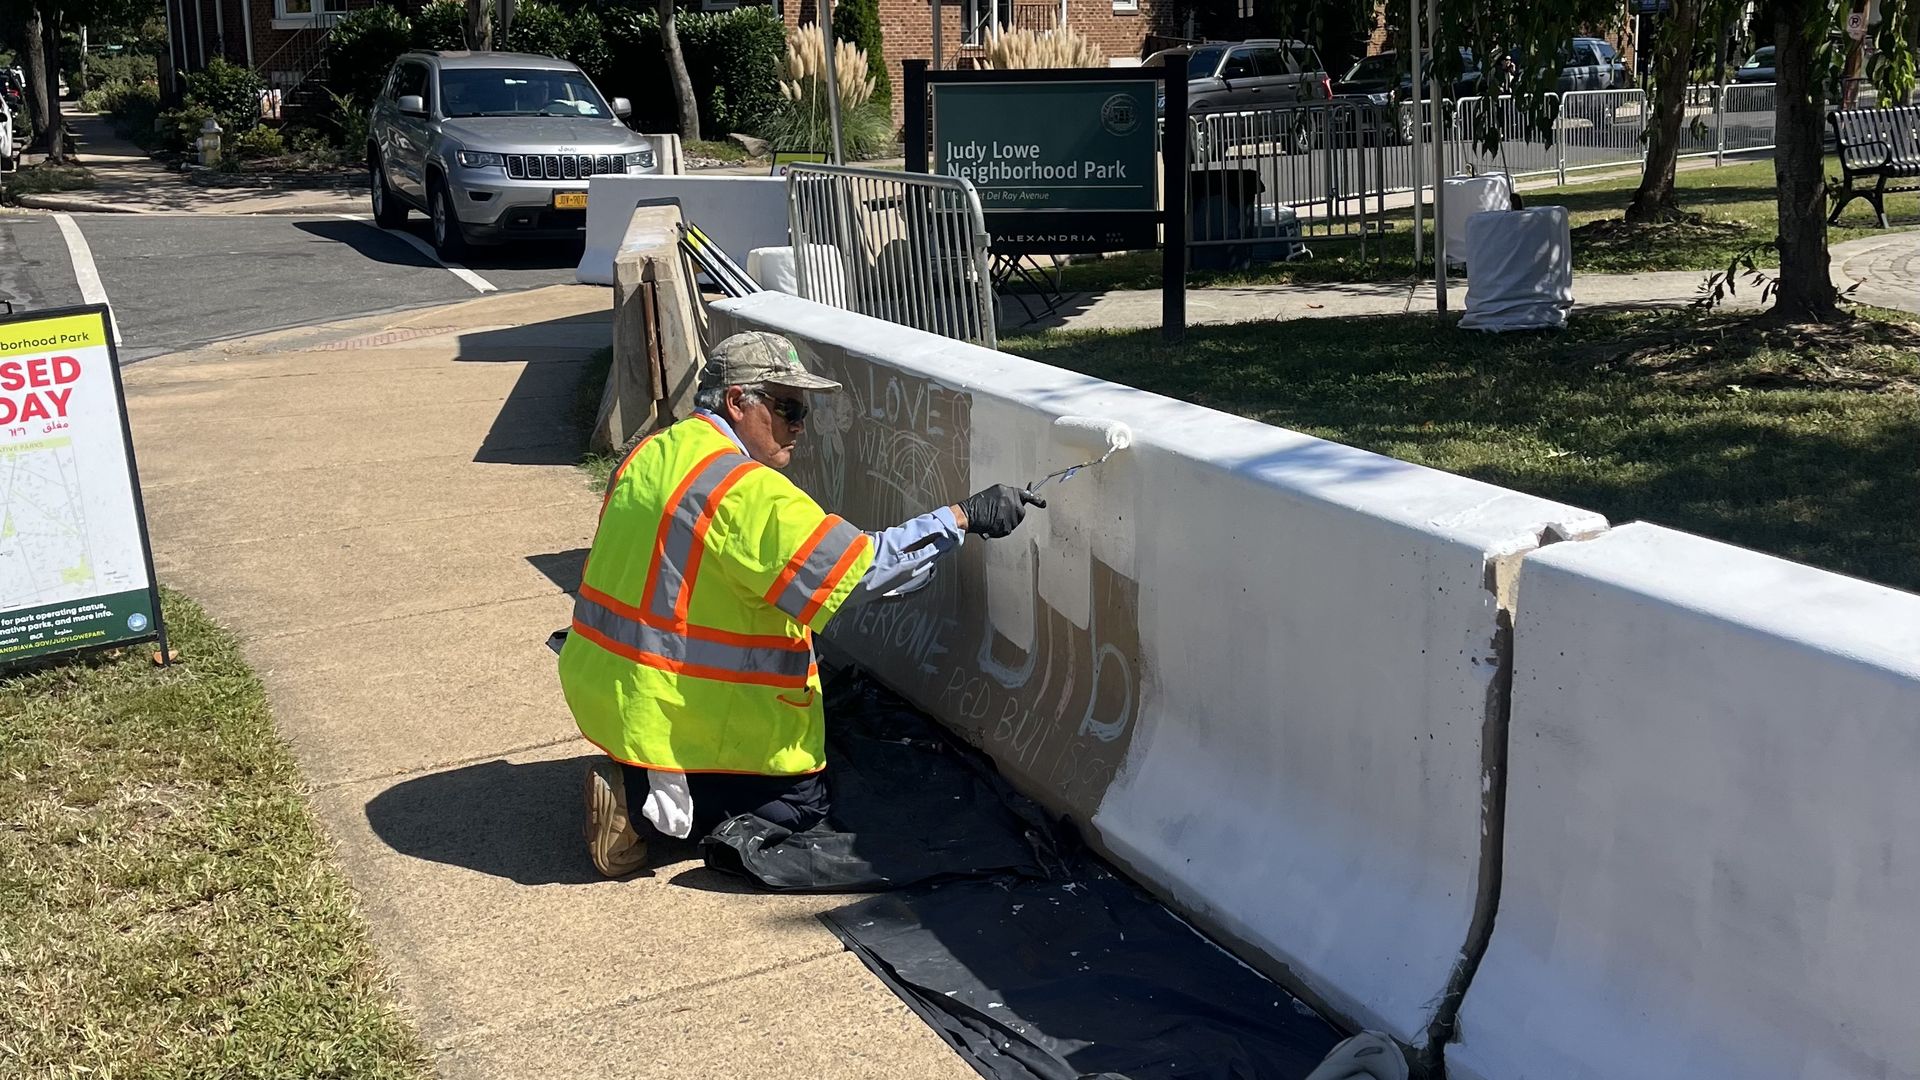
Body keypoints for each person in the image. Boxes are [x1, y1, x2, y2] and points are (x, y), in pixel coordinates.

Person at [560, 331, 1040, 877]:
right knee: (801, 800)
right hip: (675, 708)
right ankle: (639, 809)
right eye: (787, 408)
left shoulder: (655, 451)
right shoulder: (742, 490)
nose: (800, 426)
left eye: (803, 411)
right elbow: (860, 572)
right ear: (739, 403)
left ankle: (647, 777)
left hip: (611, 688)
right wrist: (963, 517)